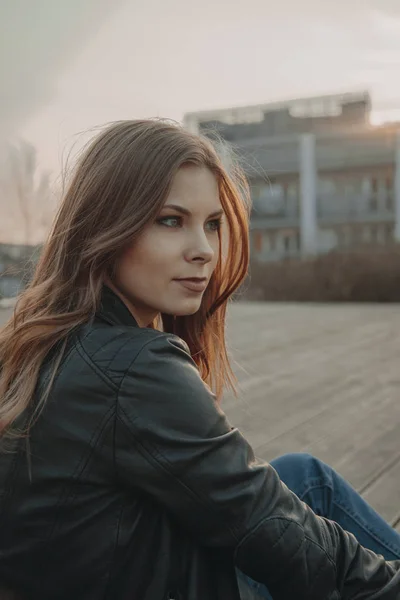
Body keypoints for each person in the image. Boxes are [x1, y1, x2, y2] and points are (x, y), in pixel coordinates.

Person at [0, 119, 398, 600]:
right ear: (106, 225)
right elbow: (268, 522)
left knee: (304, 478)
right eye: (171, 220)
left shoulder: (51, 335)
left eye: (212, 224)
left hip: (129, 568)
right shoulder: (132, 367)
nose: (205, 251)